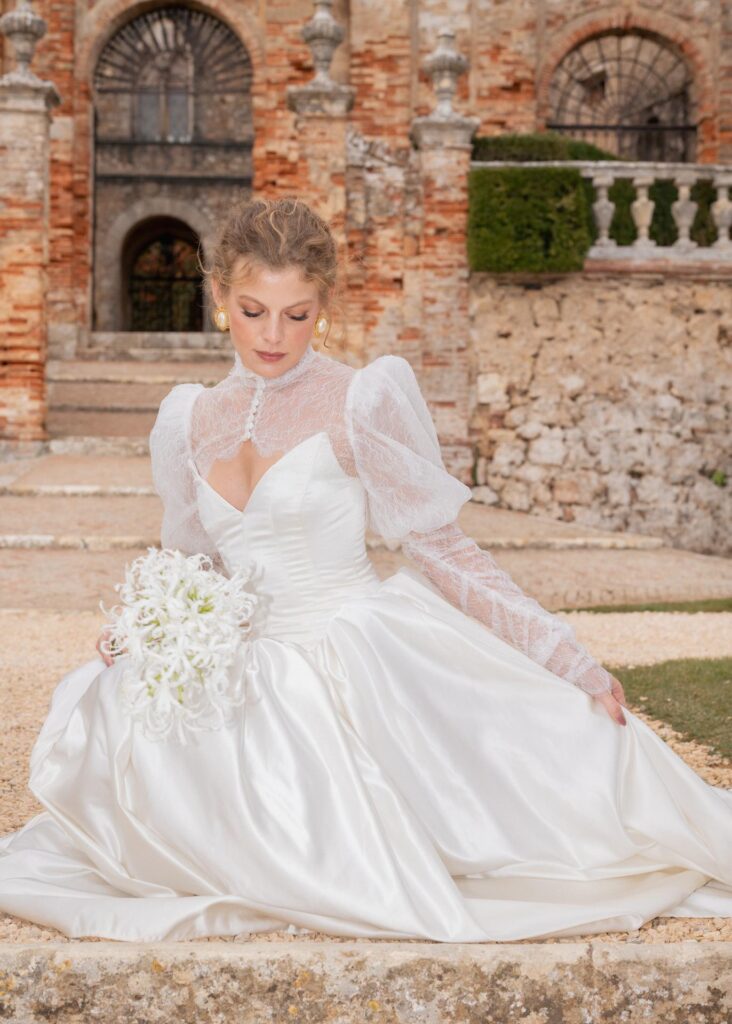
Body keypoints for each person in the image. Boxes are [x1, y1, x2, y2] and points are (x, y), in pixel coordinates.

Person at [0, 197, 730, 944]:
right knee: (126, 726)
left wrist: (564, 656)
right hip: (246, 664)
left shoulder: (359, 399)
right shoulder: (187, 418)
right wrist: (143, 622)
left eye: (298, 314)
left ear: (325, 307)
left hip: (353, 654)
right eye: (254, 311)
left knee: (484, 815)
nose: (274, 336)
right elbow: (193, 561)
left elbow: (443, 548)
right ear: (219, 297)